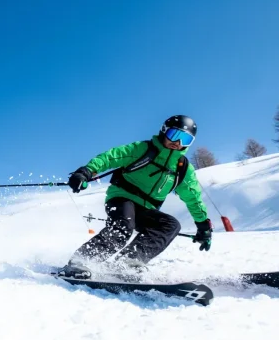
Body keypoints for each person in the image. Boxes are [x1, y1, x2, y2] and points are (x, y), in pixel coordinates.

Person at [60, 115, 213, 279]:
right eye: (175, 135)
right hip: (122, 197)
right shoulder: (143, 149)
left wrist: (203, 225)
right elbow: (111, 157)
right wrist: (86, 172)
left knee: (170, 225)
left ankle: (128, 262)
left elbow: (193, 198)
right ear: (164, 132)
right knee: (124, 225)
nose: (178, 143)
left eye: (185, 139)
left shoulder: (182, 168)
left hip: (146, 209)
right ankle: (80, 261)